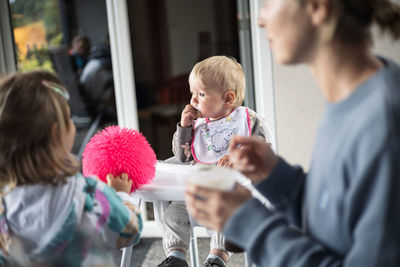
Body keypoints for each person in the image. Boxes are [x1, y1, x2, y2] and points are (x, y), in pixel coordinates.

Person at [185, 0, 400, 266]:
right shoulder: (354, 98)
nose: (260, 19)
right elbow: (340, 220)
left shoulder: (384, 122)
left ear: (317, 8)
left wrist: (251, 224)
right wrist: (279, 178)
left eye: (268, 4)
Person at [0, 70, 142, 266]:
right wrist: (120, 195)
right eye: (68, 118)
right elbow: (128, 231)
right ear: (56, 134)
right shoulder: (88, 192)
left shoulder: (4, 206)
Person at [158, 56, 274, 267]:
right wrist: (184, 127)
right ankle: (176, 257)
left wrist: (238, 158)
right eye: (192, 93)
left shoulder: (247, 121)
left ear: (228, 99)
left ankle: (216, 258)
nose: (193, 100)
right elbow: (183, 156)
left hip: (229, 194)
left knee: (226, 213)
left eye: (201, 94)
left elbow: (262, 151)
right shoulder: (198, 125)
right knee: (173, 211)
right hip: (196, 192)